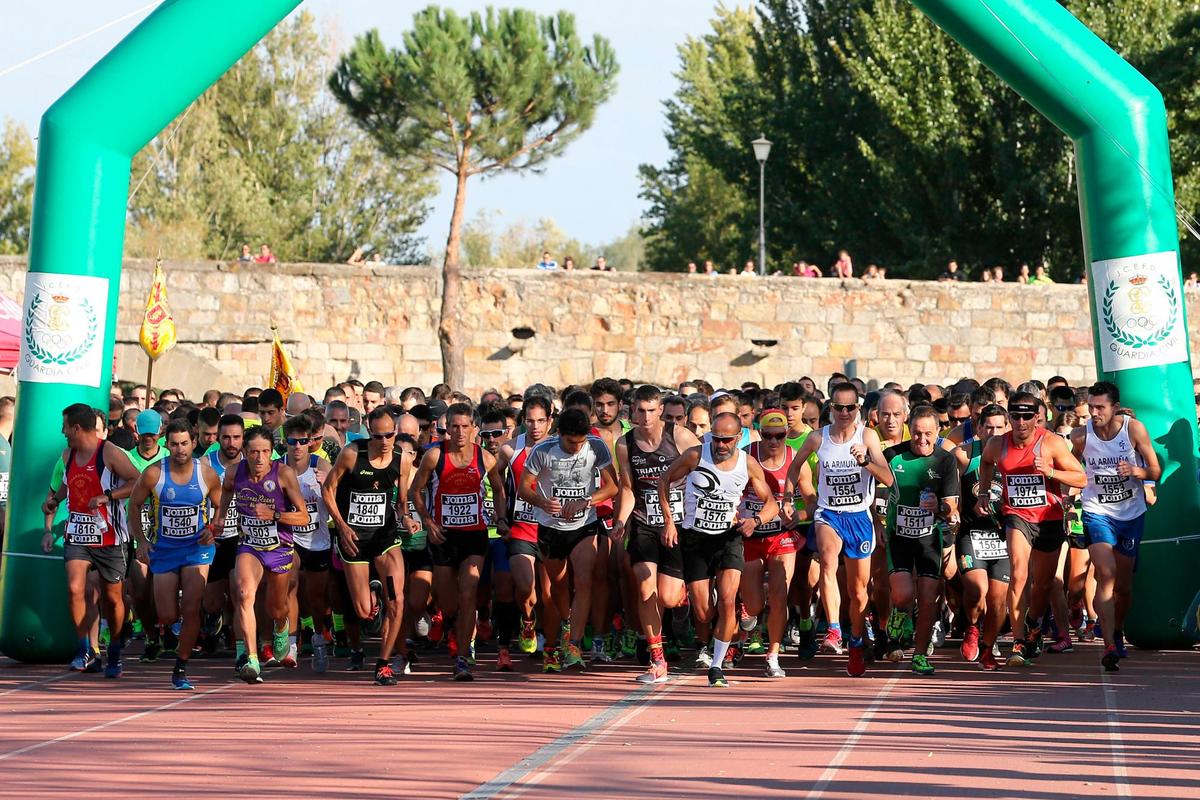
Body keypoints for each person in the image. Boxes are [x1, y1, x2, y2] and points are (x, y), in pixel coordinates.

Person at [658, 411, 779, 688]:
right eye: (716, 439)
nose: (720, 445)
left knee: (727, 601)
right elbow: (663, 481)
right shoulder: (694, 456)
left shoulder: (747, 464)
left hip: (728, 538)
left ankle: (717, 666)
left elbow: (770, 501)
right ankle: (708, 613)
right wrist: (669, 521)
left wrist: (756, 520)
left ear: (738, 438)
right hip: (695, 539)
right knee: (703, 613)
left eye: (726, 440)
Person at [784, 382, 893, 677]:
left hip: (859, 516)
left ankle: (856, 642)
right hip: (828, 514)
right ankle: (832, 629)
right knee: (829, 565)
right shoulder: (818, 438)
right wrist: (786, 499)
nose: (844, 413)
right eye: (838, 407)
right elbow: (794, 468)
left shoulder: (867, 436)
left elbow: (889, 479)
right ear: (830, 408)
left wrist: (866, 461)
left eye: (850, 407)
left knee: (858, 592)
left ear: (858, 409)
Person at [975, 392, 1086, 668]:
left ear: (1037, 417)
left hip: (1049, 518)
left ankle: (1033, 623)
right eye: (1016, 416)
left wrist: (1050, 473)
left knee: (1044, 585)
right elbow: (986, 463)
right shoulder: (998, 444)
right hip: (1017, 517)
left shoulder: (1051, 443)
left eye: (1027, 416)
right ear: (1009, 416)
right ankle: (1019, 640)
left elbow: (1081, 478)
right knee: (1019, 573)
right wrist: (984, 493)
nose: (1021, 422)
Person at [42, 403, 141, 678]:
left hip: (110, 536)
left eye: (65, 427)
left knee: (112, 599)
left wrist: (108, 497)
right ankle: (85, 648)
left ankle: (116, 650)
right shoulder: (67, 455)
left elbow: (137, 480)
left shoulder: (108, 452)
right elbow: (66, 485)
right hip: (79, 534)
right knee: (75, 588)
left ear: (76, 428)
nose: (63, 432)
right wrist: (53, 502)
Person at [410, 403, 508, 681]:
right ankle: (453, 627)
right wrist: (428, 522)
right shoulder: (435, 456)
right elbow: (415, 490)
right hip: (443, 537)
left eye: (465, 426)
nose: (460, 432)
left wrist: (500, 520)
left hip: (474, 536)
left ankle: (463, 657)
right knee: (449, 602)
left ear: (474, 429)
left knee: (469, 594)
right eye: (454, 426)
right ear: (447, 428)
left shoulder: (485, 458)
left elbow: (499, 490)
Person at [517, 408, 618, 673]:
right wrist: (542, 501)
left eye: (580, 442)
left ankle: (573, 644)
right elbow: (523, 489)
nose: (576, 448)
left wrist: (587, 500)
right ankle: (565, 624)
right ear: (559, 433)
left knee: (584, 580)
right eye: (571, 442)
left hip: (584, 525)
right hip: (550, 527)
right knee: (559, 586)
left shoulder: (596, 447)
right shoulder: (543, 451)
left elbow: (612, 486)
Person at [1070, 382, 1160, 671]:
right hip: (1097, 511)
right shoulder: (1081, 436)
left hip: (1130, 514)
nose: (1094, 413)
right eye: (1091, 407)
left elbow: (1156, 470)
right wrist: (1065, 490)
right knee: (1105, 573)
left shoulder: (1133, 429)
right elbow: (1071, 468)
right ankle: (1108, 643)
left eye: (1100, 408)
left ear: (1115, 407)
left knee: (1123, 586)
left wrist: (1137, 472)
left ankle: (1118, 630)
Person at [127, 419, 223, 690]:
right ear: (165, 444)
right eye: (174, 444)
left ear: (193, 443)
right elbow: (133, 506)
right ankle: (180, 626)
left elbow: (221, 504)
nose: (180, 449)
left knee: (191, 607)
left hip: (197, 549)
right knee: (168, 615)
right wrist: (142, 541)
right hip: (165, 549)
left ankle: (181, 667)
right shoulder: (154, 473)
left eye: (185, 443)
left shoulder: (206, 474)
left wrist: (214, 528)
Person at [615, 385, 698, 684]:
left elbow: (704, 472)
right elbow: (627, 489)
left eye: (651, 410)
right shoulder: (625, 444)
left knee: (668, 596)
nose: (646, 416)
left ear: (661, 410)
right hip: (644, 524)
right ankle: (657, 659)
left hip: (677, 524)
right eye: (640, 410)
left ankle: (682, 602)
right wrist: (620, 522)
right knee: (645, 587)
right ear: (632, 412)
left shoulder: (680, 436)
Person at [322, 407, 408, 684]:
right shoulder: (352, 454)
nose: (384, 441)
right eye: (378, 435)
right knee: (362, 612)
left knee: (397, 600)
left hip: (384, 538)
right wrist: (342, 526)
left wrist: (407, 518)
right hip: (354, 538)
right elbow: (328, 488)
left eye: (390, 435)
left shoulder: (401, 459)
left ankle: (383, 664)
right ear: (369, 433)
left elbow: (401, 501)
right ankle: (373, 594)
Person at [218, 426, 309, 684]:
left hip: (279, 548)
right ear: (245, 452)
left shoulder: (284, 474)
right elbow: (225, 495)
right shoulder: (234, 472)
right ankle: (252, 659)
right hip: (250, 546)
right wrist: (219, 519)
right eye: (254, 452)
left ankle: (281, 627)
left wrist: (275, 515)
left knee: (275, 608)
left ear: (272, 453)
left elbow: (302, 517)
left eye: (265, 452)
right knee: (244, 594)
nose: (259, 458)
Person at [880, 406, 960, 675]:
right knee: (903, 595)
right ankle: (899, 614)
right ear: (909, 430)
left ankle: (920, 654)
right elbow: (872, 490)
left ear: (937, 433)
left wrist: (939, 507)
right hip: (899, 537)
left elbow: (951, 506)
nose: (921, 440)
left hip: (930, 538)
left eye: (928, 434)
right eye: (916, 433)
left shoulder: (945, 461)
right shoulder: (892, 455)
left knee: (928, 599)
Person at [738, 410, 799, 678]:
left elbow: (810, 498)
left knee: (779, 595)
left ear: (787, 434)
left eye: (780, 436)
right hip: (750, 535)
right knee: (753, 605)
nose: (773, 441)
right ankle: (747, 617)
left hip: (781, 536)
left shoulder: (795, 459)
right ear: (759, 433)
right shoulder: (745, 456)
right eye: (767, 435)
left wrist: (799, 515)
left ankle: (773, 655)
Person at [953, 404, 1012, 671]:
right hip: (972, 533)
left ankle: (989, 646)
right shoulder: (963, 456)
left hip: (1004, 534)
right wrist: (951, 510)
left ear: (1008, 427)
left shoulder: (1014, 455)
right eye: (988, 426)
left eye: (1000, 427)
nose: (994, 432)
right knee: (977, 591)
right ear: (978, 428)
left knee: (998, 600)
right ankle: (972, 627)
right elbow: (950, 492)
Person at [282, 414, 334, 673]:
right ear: (286, 442)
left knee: (316, 599)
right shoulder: (278, 467)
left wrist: (328, 487)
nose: (298, 446)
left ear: (310, 442)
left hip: (318, 539)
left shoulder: (321, 465)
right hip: (288, 538)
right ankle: (291, 642)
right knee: (290, 585)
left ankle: (318, 638)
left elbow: (336, 504)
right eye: (293, 441)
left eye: (303, 441)